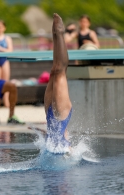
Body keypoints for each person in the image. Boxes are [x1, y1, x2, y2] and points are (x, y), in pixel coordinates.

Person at [44, 13, 72, 154]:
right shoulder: (65, 148)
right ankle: (59, 32)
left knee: (54, 71)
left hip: (50, 115)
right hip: (61, 115)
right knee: (60, 71)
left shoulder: (62, 149)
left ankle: (56, 33)